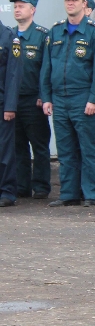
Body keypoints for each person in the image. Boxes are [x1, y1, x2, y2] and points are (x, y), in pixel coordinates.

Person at [40, 0, 95, 208]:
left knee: (88, 148)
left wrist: (94, 99)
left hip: (83, 97)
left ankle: (91, 193)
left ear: (84, 3)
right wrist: (47, 96)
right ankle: (69, 193)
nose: (70, 3)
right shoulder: (56, 31)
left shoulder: (94, 31)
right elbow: (47, 67)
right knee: (66, 148)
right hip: (60, 98)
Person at [9, 0, 51, 202]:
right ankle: (22, 186)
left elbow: (46, 68)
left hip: (34, 99)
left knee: (39, 145)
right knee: (17, 146)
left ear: (32, 9)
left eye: (21, 6)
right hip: (14, 100)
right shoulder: (10, 35)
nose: (17, 9)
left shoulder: (42, 36)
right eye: (15, 6)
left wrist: (44, 95)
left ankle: (41, 186)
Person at [0, 11, 22, 208]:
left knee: (4, 150)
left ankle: (7, 190)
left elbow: (13, 76)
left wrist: (10, 106)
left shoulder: (8, 37)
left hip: (1, 105)